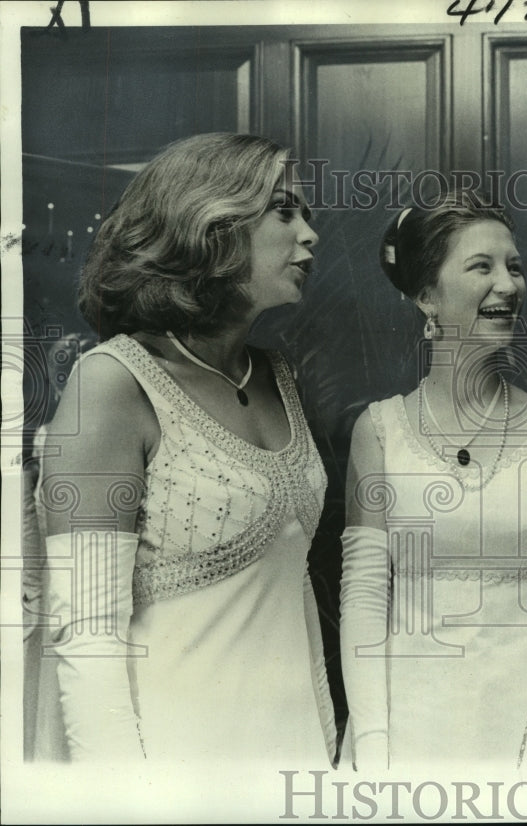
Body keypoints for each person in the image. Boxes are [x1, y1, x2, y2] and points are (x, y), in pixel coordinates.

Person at [32, 132, 337, 764]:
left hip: (289, 753)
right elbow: (87, 637)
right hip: (176, 763)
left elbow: (292, 589)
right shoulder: (111, 383)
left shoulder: (277, 375)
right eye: (285, 212)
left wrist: (325, 749)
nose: (309, 234)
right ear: (212, 227)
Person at [339, 192, 527, 770]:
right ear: (426, 296)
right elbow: (363, 598)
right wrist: (374, 747)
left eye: (514, 267)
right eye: (481, 267)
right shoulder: (379, 430)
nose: (507, 285)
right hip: (409, 725)